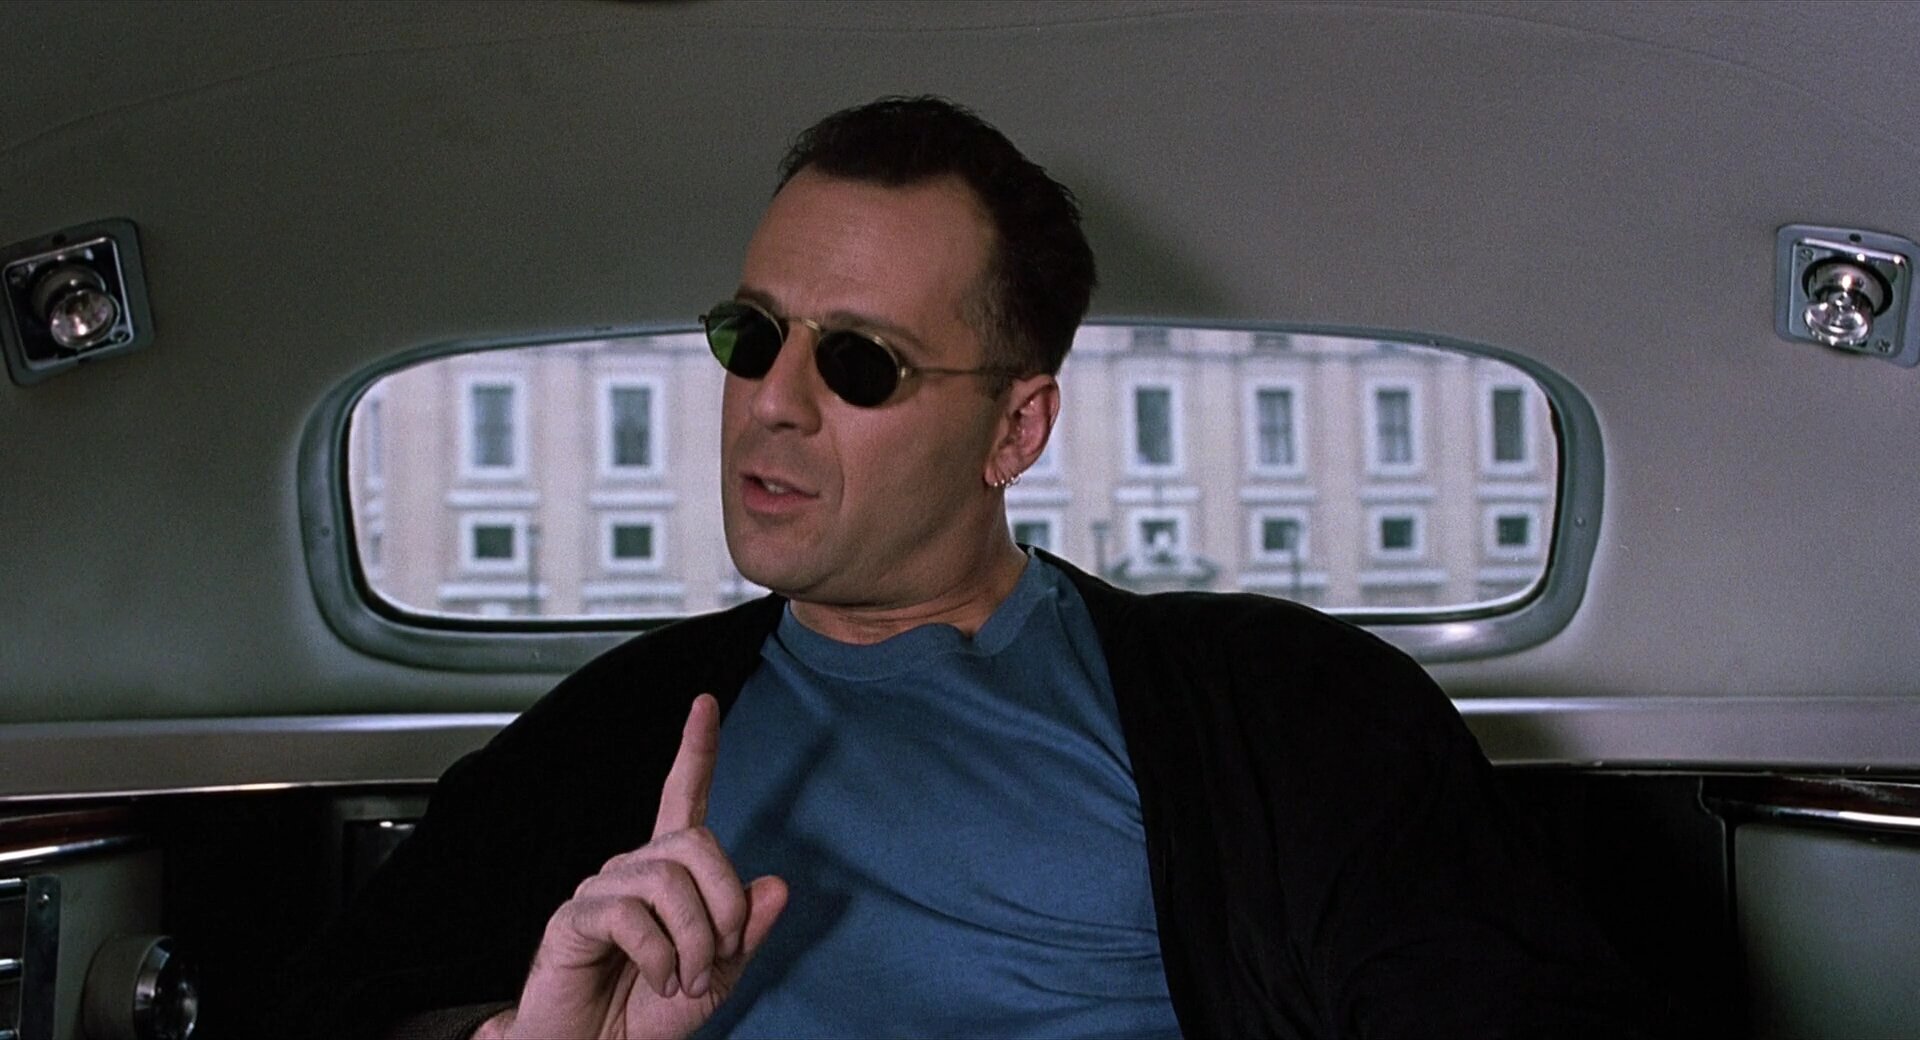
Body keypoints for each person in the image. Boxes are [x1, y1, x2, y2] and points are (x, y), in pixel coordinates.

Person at [278, 96, 1654, 1039]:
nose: (772, 403)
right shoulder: (609, 734)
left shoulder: (1293, 712)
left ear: (1016, 429)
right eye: (752, 335)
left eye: (859, 363)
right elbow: (340, 1003)